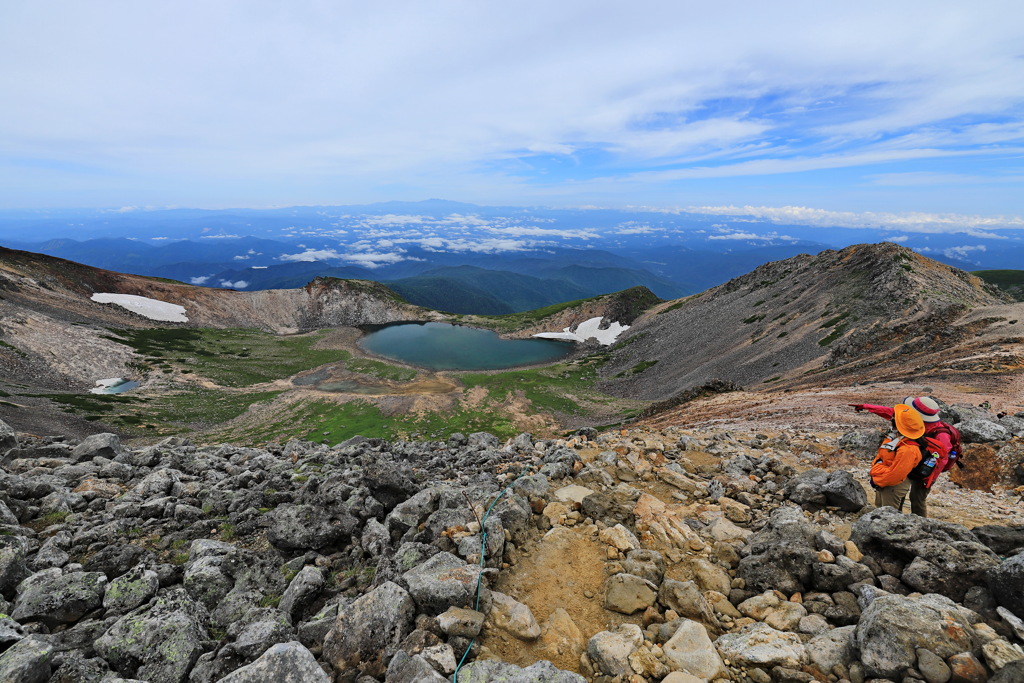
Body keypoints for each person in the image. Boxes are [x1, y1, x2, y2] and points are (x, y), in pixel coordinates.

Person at [850, 396, 960, 517]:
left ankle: (919, 523)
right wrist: (867, 407)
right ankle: (899, 516)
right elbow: (892, 413)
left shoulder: (941, 435)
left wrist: (928, 480)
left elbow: (941, 460)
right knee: (900, 490)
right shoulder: (912, 420)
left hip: (925, 470)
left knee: (917, 498)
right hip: (909, 463)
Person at [867, 404, 925, 511]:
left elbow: (895, 475)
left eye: (893, 419)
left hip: (893, 486)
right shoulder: (897, 438)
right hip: (885, 481)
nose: (891, 420)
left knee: (887, 515)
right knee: (880, 509)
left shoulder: (908, 449)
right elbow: (882, 455)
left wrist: (876, 479)